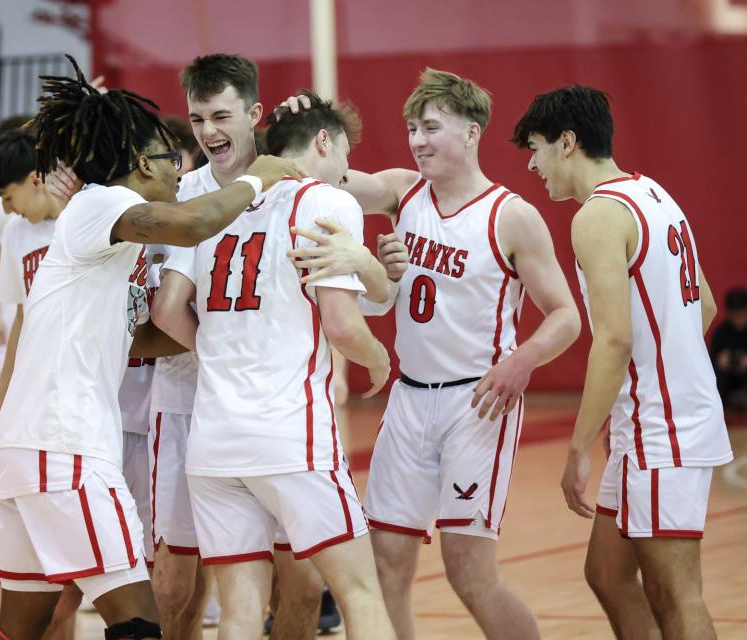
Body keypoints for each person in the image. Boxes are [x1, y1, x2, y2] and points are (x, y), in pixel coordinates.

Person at [0, 57, 300, 640]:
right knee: (138, 620)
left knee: (19, 625)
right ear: (135, 164)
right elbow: (192, 223)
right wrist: (260, 177)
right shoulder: (101, 205)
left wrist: (223, 337)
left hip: (28, 450)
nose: (180, 169)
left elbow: (139, 337)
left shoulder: (109, 238)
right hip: (64, 444)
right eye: (168, 159)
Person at [282, 68, 581, 640]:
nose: (418, 139)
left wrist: (523, 360)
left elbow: (565, 315)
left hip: (477, 404)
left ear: (472, 133)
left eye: (432, 127)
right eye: (412, 128)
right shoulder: (402, 189)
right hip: (409, 403)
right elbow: (319, 177)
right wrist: (303, 121)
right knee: (386, 565)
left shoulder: (510, 215)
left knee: (469, 574)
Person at [148, 54, 392, 640]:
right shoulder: (322, 199)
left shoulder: (195, 202)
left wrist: (219, 348)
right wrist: (380, 359)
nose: (207, 130)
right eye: (198, 118)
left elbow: (164, 309)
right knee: (359, 592)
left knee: (238, 610)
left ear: (257, 117)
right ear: (328, 146)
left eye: (220, 116)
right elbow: (339, 324)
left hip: (213, 436)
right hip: (291, 435)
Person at [512, 85, 733, 640]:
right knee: (607, 575)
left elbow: (614, 341)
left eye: (535, 149)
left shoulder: (597, 217)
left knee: (675, 594)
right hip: (657, 419)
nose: (534, 165)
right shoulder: (653, 193)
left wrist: (577, 447)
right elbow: (702, 304)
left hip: (665, 429)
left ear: (567, 142)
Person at [711, 288, 747, 411]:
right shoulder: (721, 332)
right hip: (727, 383)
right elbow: (709, 360)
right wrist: (719, 360)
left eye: (741, 314)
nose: (737, 319)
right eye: (734, 315)